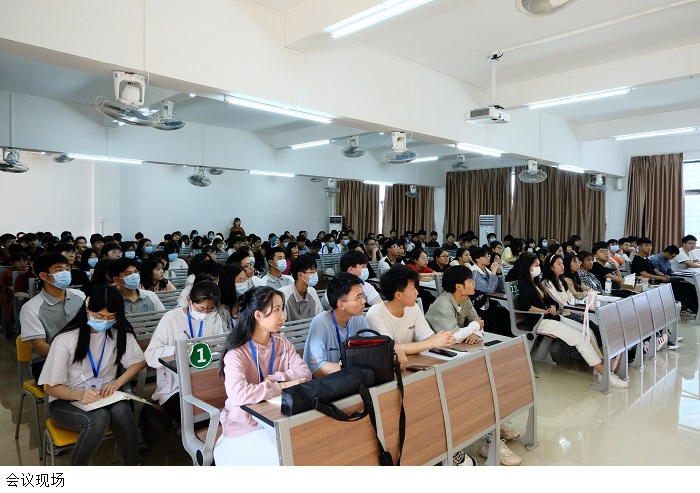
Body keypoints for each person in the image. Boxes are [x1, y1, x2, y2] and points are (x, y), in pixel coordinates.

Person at [38, 285, 145, 466]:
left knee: (122, 411)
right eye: (99, 316)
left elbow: (139, 361)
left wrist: (116, 383)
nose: (105, 322)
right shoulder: (66, 339)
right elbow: (51, 388)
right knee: (99, 417)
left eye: (111, 317)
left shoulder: (119, 334)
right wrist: (79, 395)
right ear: (87, 307)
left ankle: (133, 464)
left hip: (103, 395)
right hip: (66, 401)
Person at [215, 286, 311, 466]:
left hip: (279, 416)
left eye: (282, 309)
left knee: (308, 449)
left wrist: (273, 378)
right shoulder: (236, 353)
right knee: (286, 459)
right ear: (258, 315)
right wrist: (279, 386)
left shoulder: (281, 341)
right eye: (277, 310)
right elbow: (238, 394)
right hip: (246, 426)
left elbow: (304, 373)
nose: (283, 316)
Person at [517, 254, 627, 388]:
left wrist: (552, 306)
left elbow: (550, 301)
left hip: (552, 317)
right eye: (536, 265)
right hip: (540, 321)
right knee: (579, 339)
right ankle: (606, 375)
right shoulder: (524, 284)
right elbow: (526, 306)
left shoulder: (537, 283)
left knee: (588, 331)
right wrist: (544, 311)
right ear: (528, 267)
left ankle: (600, 368)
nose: (538, 268)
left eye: (539, 265)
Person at [145, 280, 227, 425]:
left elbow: (221, 347)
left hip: (207, 380)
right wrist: (180, 349)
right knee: (198, 421)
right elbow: (151, 355)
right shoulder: (171, 318)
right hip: (175, 385)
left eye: (210, 309)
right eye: (200, 309)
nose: (205, 314)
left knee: (227, 414)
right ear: (189, 300)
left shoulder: (214, 317)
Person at [20, 253, 87, 380]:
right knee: (78, 382)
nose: (65, 273)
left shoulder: (80, 295)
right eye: (59, 270)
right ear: (43, 275)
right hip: (47, 360)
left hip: (82, 355)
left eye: (67, 269)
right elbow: (40, 346)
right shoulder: (31, 308)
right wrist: (70, 356)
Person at [366, 265, 455, 357]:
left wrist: (444, 339)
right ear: (398, 295)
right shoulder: (375, 314)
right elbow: (392, 348)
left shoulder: (412, 307)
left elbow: (427, 337)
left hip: (410, 360)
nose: (417, 292)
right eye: (412, 289)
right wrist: (433, 342)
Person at [303, 273, 372, 377]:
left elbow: (372, 348)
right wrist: (350, 369)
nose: (364, 301)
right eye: (358, 298)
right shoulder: (320, 322)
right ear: (341, 305)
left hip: (354, 378)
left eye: (362, 295)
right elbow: (317, 369)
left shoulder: (358, 319)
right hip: (330, 382)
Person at [633, 237, 697, 317]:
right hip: (649, 284)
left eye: (650, 245)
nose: (649, 247)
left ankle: (696, 307)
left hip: (658, 281)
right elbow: (644, 274)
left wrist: (663, 276)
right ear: (639, 246)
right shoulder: (637, 260)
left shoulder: (646, 259)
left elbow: (655, 270)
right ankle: (695, 309)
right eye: (646, 245)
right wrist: (661, 278)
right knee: (681, 292)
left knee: (688, 286)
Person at [278, 256, 323, 322]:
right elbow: (280, 323)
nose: (315, 275)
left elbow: (320, 316)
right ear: (300, 275)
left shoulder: (312, 291)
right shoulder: (283, 294)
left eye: (315, 271)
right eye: (312, 272)